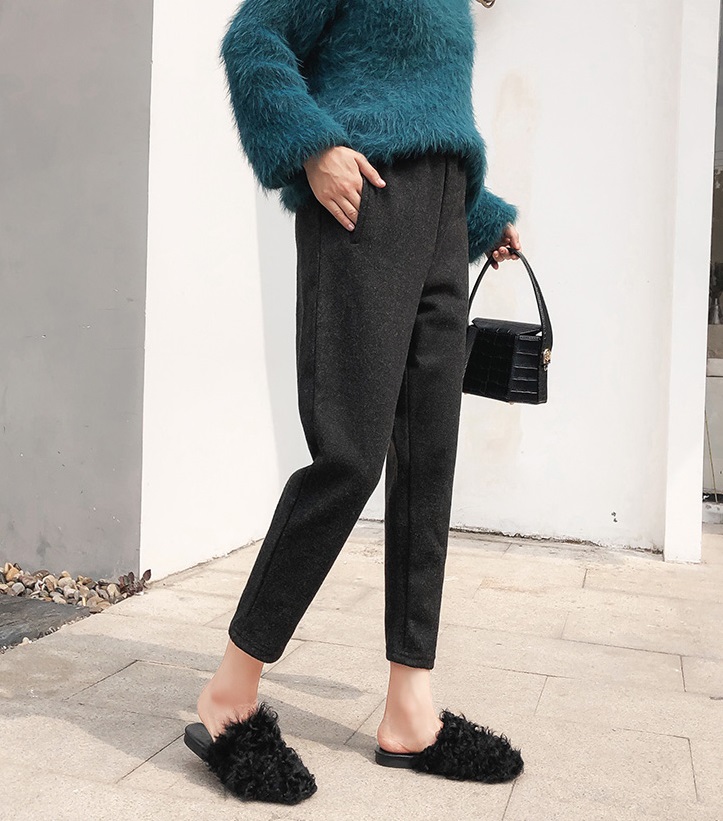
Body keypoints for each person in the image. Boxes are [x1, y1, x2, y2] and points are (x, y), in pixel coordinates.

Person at [184, 0, 524, 804]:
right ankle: (229, 692)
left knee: (428, 459)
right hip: (363, 208)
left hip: (442, 220)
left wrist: (479, 216)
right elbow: (254, 41)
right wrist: (311, 148)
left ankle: (410, 709)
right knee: (349, 457)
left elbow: (425, 115)